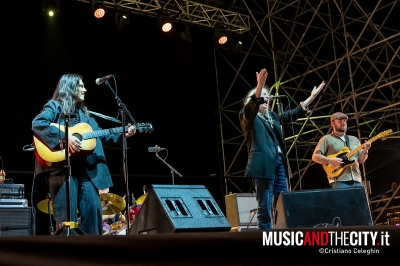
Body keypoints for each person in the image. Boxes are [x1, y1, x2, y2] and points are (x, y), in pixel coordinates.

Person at [32, 74, 136, 235]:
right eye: (81, 86)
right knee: (67, 220)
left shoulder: (86, 115)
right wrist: (65, 137)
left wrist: (123, 133)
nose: (85, 89)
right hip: (62, 170)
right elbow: (38, 124)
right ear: (70, 87)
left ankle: (91, 255)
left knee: (94, 214)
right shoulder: (55, 106)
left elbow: (100, 136)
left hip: (87, 172)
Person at [239, 68, 325, 230]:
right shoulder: (248, 117)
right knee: (264, 202)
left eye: (267, 97)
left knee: (282, 200)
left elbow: (292, 114)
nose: (267, 100)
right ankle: (266, 234)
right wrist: (260, 87)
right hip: (263, 163)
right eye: (263, 97)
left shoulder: (272, 117)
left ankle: (283, 231)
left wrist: (311, 98)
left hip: (279, 163)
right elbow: (252, 107)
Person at [312, 112, 371, 188]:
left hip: (357, 179)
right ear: (332, 123)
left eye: (344, 121)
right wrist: (330, 161)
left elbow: (361, 160)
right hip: (339, 180)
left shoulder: (354, 139)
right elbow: (315, 157)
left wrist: (366, 150)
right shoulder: (327, 139)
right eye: (339, 121)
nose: (343, 123)